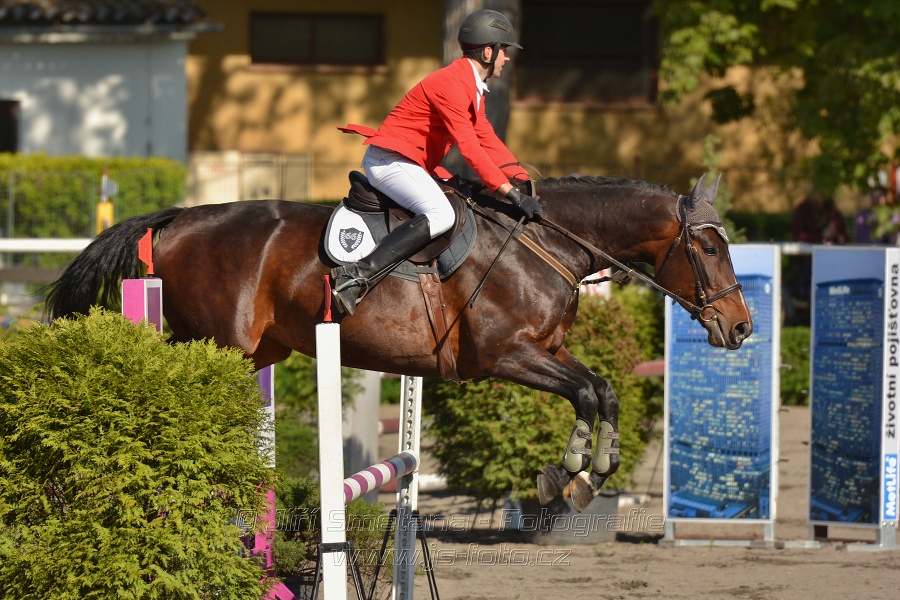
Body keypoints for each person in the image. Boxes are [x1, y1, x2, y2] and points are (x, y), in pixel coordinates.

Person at [331, 9, 542, 315]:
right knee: (441, 214)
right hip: (391, 161)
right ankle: (354, 277)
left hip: (411, 162)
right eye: (504, 50)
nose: (507, 58)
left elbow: (486, 138)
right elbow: (469, 147)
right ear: (488, 52)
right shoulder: (451, 83)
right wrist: (508, 192)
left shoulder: (471, 86)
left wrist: (522, 181)